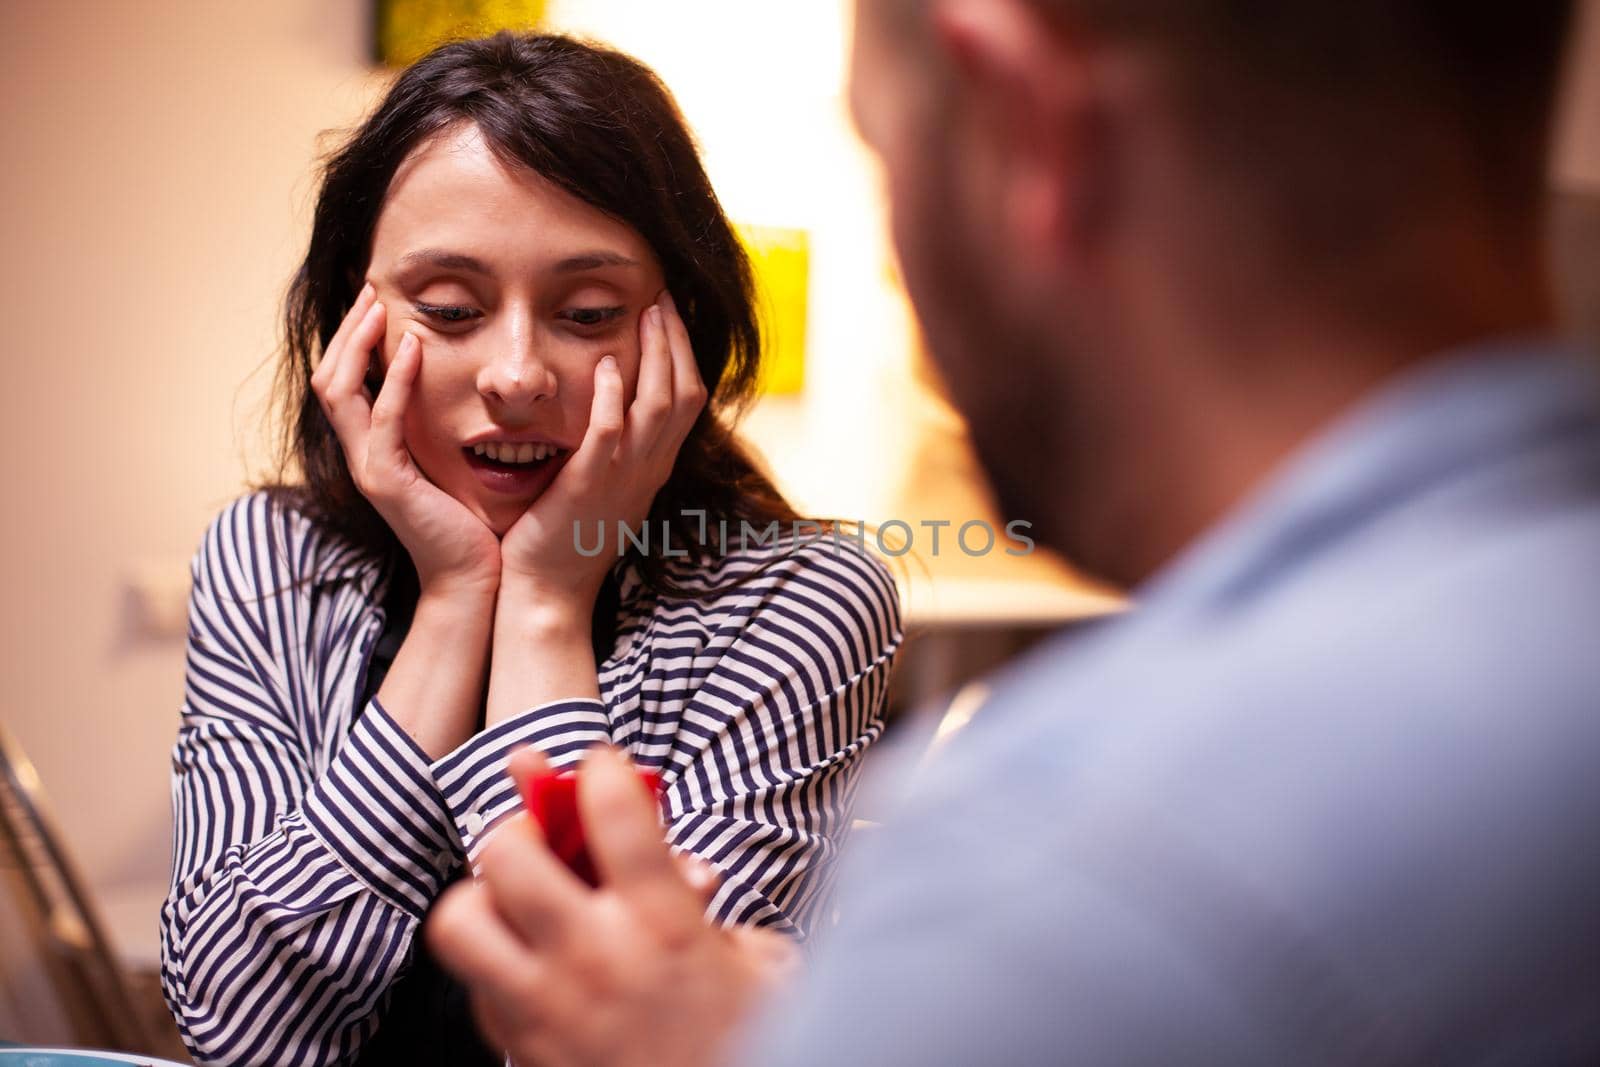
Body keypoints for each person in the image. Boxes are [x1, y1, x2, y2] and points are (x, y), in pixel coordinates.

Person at [425, 0, 1600, 1064]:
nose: (517, 376)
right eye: (449, 306)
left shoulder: (1070, 861)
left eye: (884, 155)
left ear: (1025, 120)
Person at [158, 31, 902, 1067]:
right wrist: (458, 596)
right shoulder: (270, 558)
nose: (515, 373)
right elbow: (241, 1029)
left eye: (587, 312)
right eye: (451, 309)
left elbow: (640, 1039)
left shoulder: (799, 597)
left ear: (677, 325)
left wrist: (546, 602)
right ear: (351, 325)